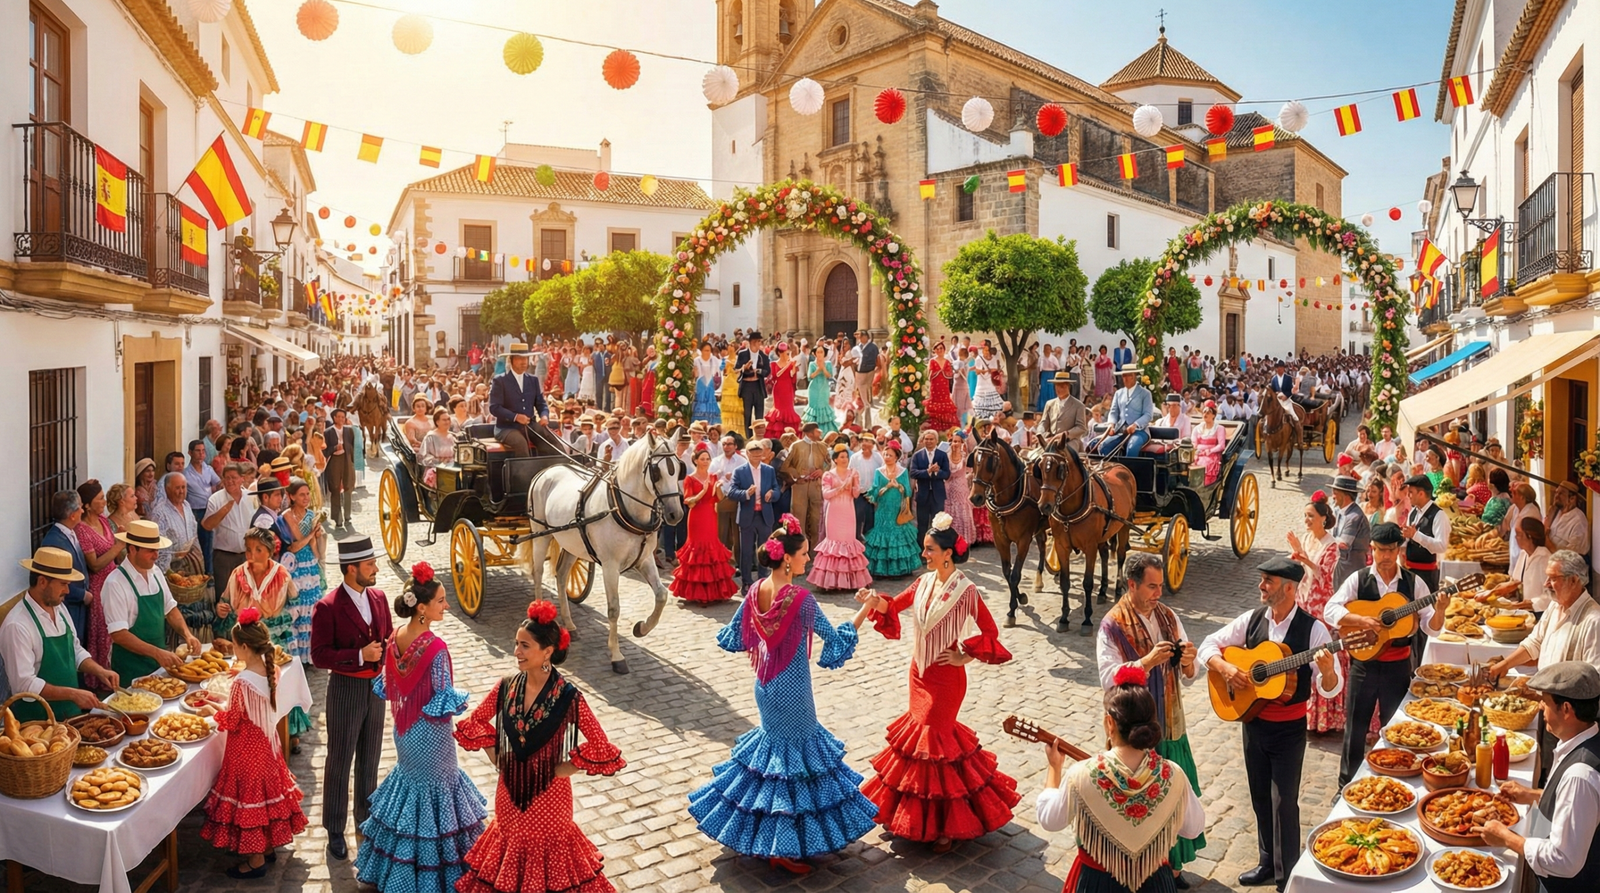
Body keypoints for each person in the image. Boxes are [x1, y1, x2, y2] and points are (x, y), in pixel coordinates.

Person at [689, 517, 878, 873]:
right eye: (804, 553)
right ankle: (783, 847)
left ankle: (774, 840)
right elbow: (834, 643)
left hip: (764, 685)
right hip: (794, 691)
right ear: (787, 559)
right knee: (795, 766)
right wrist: (866, 610)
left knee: (772, 762)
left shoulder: (755, 590)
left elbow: (735, 637)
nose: (808, 558)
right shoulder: (801, 599)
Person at [858, 514, 1018, 852]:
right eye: (924, 549)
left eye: (929, 549)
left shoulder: (966, 590)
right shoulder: (923, 582)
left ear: (947, 553)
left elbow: (990, 632)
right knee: (919, 743)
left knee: (937, 743)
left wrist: (964, 656)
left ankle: (947, 823)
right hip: (919, 672)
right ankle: (915, 817)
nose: (924, 554)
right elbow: (894, 605)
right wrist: (873, 600)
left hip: (947, 680)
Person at [452, 600, 625, 893]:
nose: (516, 651)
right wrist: (499, 758)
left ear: (547, 651)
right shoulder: (506, 686)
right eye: (516, 644)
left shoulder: (568, 696)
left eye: (525, 645)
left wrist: (562, 770)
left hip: (551, 801)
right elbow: (475, 722)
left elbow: (601, 744)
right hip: (509, 797)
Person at [1197, 558, 1344, 891]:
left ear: (1289, 589)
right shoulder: (1252, 619)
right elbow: (1208, 645)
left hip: (1289, 729)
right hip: (1253, 723)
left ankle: (1287, 875)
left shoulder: (1314, 630)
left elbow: (1330, 687)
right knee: (1260, 796)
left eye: (1268, 581)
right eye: (1262, 579)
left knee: (1284, 802)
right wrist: (1226, 668)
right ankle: (1266, 862)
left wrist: (1328, 671)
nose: (1261, 586)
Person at [357, 563, 487, 893]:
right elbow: (443, 698)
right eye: (441, 601)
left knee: (410, 790)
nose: (446, 606)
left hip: (404, 732)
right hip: (432, 736)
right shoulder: (436, 648)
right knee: (438, 795)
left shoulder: (395, 638)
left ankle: (399, 873)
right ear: (422, 608)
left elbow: (389, 686)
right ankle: (438, 877)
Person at [1036, 667, 1206, 893]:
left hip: (1098, 884)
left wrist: (1054, 768)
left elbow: (1050, 820)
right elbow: (1194, 828)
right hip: (1155, 883)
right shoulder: (1173, 774)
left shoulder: (1081, 774)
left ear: (1110, 723)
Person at [1095, 552, 1205, 886]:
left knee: (1175, 797)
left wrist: (1189, 660)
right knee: (1137, 802)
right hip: (1132, 730)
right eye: (1152, 586)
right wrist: (1146, 663)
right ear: (1132, 585)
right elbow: (1108, 678)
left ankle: (1173, 866)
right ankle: (1141, 868)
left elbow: (1190, 673)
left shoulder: (1169, 617)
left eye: (1160, 586)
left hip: (1170, 724)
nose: (1159, 593)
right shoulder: (1112, 624)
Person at [1325, 522, 1448, 786]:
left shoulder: (1414, 583)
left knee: (1396, 728)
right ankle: (1346, 784)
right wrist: (1360, 620)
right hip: (1364, 665)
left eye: (1391, 550)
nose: (1386, 556)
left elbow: (1432, 628)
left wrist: (1440, 610)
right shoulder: (1358, 579)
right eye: (1381, 550)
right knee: (1355, 728)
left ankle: (1395, 781)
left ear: (1399, 550)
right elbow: (1330, 609)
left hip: (1397, 666)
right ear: (1372, 549)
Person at [200, 608, 309, 879]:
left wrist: (211, 711)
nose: (234, 649)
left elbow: (233, 720)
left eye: (235, 645)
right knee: (266, 798)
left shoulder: (242, 682)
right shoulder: (272, 671)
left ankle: (256, 859)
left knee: (250, 801)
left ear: (245, 647)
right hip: (268, 748)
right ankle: (268, 846)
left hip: (245, 753)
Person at [1480, 661, 1600, 893]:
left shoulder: (1579, 776)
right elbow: (1577, 807)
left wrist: (1506, 838)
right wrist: (1532, 795)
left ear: (1566, 709)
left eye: (1545, 702)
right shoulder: (1583, 742)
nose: (1540, 708)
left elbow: (1563, 860)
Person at [310, 537, 395, 862]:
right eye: (370, 564)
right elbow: (319, 656)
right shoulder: (328, 606)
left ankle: (365, 821)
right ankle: (334, 828)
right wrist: (359, 655)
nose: (376, 569)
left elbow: (387, 638)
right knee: (339, 759)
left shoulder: (379, 598)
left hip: (376, 690)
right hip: (345, 689)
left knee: (370, 759)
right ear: (351, 569)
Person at [0, 547, 117, 721]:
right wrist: (72, 694)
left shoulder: (59, 608)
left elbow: (75, 650)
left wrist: (99, 671)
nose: (68, 591)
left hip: (69, 714)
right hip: (38, 723)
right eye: (63, 584)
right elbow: (24, 685)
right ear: (42, 582)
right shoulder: (17, 625)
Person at [102, 520, 202, 681]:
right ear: (132, 549)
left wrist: (187, 634)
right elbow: (119, 634)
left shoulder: (155, 572)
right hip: (130, 668)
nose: (156, 555)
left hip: (158, 664)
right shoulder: (115, 583)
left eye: (157, 550)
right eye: (150, 551)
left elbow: (170, 609)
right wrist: (157, 653)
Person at [1488, 549, 1600, 685]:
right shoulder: (1554, 606)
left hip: (1565, 698)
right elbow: (1535, 643)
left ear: (1573, 580)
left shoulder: (1594, 621)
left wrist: (1556, 695)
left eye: (1553, 578)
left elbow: (1594, 677)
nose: (1545, 584)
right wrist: (1505, 664)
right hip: (1544, 692)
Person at [1287, 493, 1346, 734]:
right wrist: (1297, 556)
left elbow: (1325, 576)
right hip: (1303, 601)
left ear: (1323, 518)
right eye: (1305, 516)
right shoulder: (1307, 538)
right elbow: (1301, 569)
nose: (1307, 520)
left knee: (1319, 655)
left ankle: (1324, 717)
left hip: (1321, 605)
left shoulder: (1332, 545)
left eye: (1311, 516)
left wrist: (1305, 558)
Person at [670, 445, 738, 604]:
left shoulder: (713, 476)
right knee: (697, 549)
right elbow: (689, 502)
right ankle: (696, 592)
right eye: (702, 459)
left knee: (712, 547)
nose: (706, 461)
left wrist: (719, 488)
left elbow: (719, 499)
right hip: (696, 516)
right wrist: (702, 491)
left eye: (708, 459)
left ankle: (714, 592)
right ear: (696, 461)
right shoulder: (689, 479)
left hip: (711, 515)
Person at [73, 480, 121, 680]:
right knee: (103, 631)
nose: (104, 502)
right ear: (86, 505)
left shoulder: (102, 520)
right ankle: (100, 677)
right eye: (100, 498)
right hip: (99, 585)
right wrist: (119, 545)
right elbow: (94, 564)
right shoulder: (82, 530)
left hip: (113, 579)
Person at [813, 444, 873, 591]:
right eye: (841, 457)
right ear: (835, 459)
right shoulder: (828, 475)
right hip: (834, 511)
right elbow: (826, 494)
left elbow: (856, 494)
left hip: (848, 511)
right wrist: (840, 488)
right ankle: (831, 581)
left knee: (848, 542)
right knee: (833, 543)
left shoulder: (853, 473)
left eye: (846, 457)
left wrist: (853, 485)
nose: (845, 459)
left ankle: (850, 580)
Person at [280, 481, 323, 670]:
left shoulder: (312, 515)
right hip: (295, 567)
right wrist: (312, 535)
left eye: (307, 494)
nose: (306, 498)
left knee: (312, 609)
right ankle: (297, 655)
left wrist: (316, 540)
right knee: (297, 609)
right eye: (301, 495)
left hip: (310, 566)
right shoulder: (287, 516)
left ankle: (311, 655)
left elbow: (315, 549)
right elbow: (296, 544)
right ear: (291, 496)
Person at [38, 490, 90, 644]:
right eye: (80, 507)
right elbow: (54, 579)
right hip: (68, 606)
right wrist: (83, 595)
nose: (83, 511)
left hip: (78, 608)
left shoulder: (70, 534)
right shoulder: (54, 542)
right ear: (72, 515)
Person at [730, 439, 781, 591]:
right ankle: (746, 581)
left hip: (765, 516)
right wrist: (746, 493)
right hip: (747, 516)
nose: (757, 457)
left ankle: (763, 581)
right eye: (754, 455)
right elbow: (732, 492)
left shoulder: (769, 470)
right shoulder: (740, 471)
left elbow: (777, 489)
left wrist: (772, 494)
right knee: (746, 551)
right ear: (747, 454)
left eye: (759, 454)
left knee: (764, 550)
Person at [864, 443, 920, 578]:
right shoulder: (879, 471)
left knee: (899, 533)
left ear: (896, 457)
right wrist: (887, 487)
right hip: (883, 508)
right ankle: (880, 569)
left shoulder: (902, 471)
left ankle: (901, 568)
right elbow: (875, 491)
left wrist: (899, 486)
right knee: (881, 533)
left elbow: (908, 491)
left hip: (897, 508)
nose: (887, 457)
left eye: (890, 455)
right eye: (885, 454)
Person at [487, 343, 550, 459]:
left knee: (549, 438)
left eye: (525, 359)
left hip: (530, 425)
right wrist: (515, 417)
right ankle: (525, 470)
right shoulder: (500, 380)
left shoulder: (533, 380)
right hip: (506, 428)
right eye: (520, 358)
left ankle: (556, 466)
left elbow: (541, 403)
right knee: (520, 443)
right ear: (511, 360)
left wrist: (544, 415)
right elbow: (494, 408)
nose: (524, 362)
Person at [1399, 474, 1451, 603]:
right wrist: (1402, 545)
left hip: (1427, 574)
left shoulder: (1438, 515)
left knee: (1426, 609)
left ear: (1421, 494)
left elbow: (1441, 546)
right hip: (1409, 571)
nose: (1408, 495)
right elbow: (1408, 536)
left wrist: (1416, 535)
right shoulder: (1413, 512)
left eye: (1411, 492)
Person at [1490, 517, 1554, 616]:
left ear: (1530, 537)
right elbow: (1516, 581)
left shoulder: (1545, 559)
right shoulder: (1524, 554)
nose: (1516, 537)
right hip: (1523, 611)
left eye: (1519, 534)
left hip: (1540, 614)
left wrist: (1530, 603)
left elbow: (1551, 595)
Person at [781, 422, 829, 548]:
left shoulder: (822, 446)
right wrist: (798, 475)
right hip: (800, 486)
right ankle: (799, 549)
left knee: (816, 520)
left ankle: (815, 551)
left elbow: (831, 463)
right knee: (798, 518)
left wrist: (822, 471)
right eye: (817, 431)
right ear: (810, 433)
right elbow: (785, 466)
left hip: (816, 486)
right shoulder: (796, 446)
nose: (820, 433)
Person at [1096, 365, 1154, 456]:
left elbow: (1148, 414)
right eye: (1124, 376)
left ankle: (1130, 465)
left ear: (1135, 376)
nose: (1125, 378)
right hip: (1120, 431)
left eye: (1129, 375)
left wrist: (1135, 425)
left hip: (1139, 431)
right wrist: (1111, 424)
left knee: (1132, 447)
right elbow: (1114, 412)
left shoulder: (1145, 393)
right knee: (1104, 446)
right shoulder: (1118, 393)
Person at [184, 439, 221, 575]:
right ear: (190, 453)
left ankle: (209, 574)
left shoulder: (208, 469)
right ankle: (200, 573)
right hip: (195, 511)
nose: (201, 454)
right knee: (197, 544)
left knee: (209, 543)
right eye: (198, 451)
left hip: (209, 510)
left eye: (203, 451)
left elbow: (218, 483)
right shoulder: (186, 473)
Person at [1328, 476, 1371, 591]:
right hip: (1341, 568)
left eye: (1335, 493)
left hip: (1350, 570)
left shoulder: (1354, 517)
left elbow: (1343, 545)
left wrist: (1326, 539)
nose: (1333, 496)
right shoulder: (1340, 511)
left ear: (1345, 495)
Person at [908, 429, 950, 545]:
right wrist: (927, 471)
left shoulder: (942, 455)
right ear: (923, 440)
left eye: (931, 439)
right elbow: (913, 473)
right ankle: (922, 548)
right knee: (922, 524)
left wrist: (937, 472)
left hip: (938, 495)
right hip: (923, 495)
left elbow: (947, 474)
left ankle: (939, 547)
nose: (929, 441)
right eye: (926, 439)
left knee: (939, 524)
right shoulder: (917, 455)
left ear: (936, 440)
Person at [324, 408, 358, 530]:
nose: (341, 419)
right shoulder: (328, 432)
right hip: (334, 461)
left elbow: (353, 445)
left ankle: (348, 516)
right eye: (339, 417)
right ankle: (337, 518)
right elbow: (324, 451)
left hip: (347, 460)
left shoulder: (349, 430)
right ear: (334, 418)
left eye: (343, 417)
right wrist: (334, 448)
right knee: (335, 488)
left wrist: (352, 460)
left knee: (348, 487)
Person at [1040, 371, 1090, 452]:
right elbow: (1043, 423)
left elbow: (1081, 427)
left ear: (1068, 386)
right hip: (1051, 439)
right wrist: (1041, 435)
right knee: (1036, 456)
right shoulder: (1049, 404)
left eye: (1061, 386)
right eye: (1056, 386)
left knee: (1067, 452)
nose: (1058, 389)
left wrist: (1066, 434)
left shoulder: (1078, 405)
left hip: (1070, 441)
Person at [737, 332, 772, 434]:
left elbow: (767, 371)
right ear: (753, 342)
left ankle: (759, 435)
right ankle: (748, 436)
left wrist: (758, 371)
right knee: (747, 414)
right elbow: (737, 368)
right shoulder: (742, 354)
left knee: (759, 414)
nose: (760, 343)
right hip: (747, 386)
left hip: (758, 386)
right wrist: (745, 368)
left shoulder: (763, 356)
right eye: (758, 341)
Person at [801, 345, 838, 434]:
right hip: (813, 389)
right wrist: (818, 369)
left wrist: (823, 368)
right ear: (815, 354)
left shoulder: (828, 363)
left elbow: (829, 376)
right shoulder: (812, 364)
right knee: (813, 408)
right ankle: (811, 430)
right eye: (818, 352)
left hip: (824, 389)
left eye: (821, 352)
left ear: (824, 353)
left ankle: (824, 431)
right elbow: (810, 377)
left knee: (823, 406)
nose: (820, 354)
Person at [1549, 481, 1591, 556]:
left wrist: (1546, 541)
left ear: (1572, 499)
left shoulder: (1579, 521)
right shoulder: (1557, 512)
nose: (1556, 496)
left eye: (1561, 493)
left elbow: (1571, 556)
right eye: (1556, 492)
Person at [1191, 402, 1226, 487]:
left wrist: (1210, 451)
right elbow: (1193, 443)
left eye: (1208, 413)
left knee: (1205, 464)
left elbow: (1221, 445)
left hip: (1211, 455)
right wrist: (1195, 452)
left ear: (1213, 415)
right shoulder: (1197, 428)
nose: (1205, 415)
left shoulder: (1219, 428)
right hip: (1198, 454)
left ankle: (1204, 487)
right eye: (1204, 412)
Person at [925, 348, 960, 433]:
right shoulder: (932, 361)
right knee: (935, 402)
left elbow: (950, 374)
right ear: (934, 350)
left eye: (941, 348)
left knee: (945, 402)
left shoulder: (947, 361)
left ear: (944, 350)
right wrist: (938, 372)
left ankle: (946, 425)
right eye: (937, 349)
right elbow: (929, 375)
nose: (939, 350)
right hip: (935, 386)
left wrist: (943, 372)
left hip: (944, 386)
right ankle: (936, 424)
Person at [970, 343, 1005, 421]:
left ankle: (994, 417)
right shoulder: (979, 358)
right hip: (982, 385)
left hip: (990, 383)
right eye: (984, 350)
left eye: (987, 350)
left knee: (995, 404)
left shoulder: (994, 358)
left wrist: (992, 371)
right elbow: (977, 371)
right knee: (979, 404)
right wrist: (987, 371)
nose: (986, 352)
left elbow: (995, 369)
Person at [854, 331, 880, 428]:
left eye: (860, 336)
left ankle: (868, 424)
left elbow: (877, 360)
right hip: (858, 372)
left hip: (868, 372)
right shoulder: (858, 346)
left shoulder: (873, 347)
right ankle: (858, 421)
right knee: (859, 397)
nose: (859, 338)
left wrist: (874, 370)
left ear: (865, 337)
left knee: (866, 399)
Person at [719, 342, 744, 435]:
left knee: (736, 406)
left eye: (732, 345)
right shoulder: (724, 359)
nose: (730, 347)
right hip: (727, 383)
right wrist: (724, 366)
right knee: (727, 407)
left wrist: (733, 365)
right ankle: (727, 429)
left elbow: (740, 371)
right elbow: (723, 371)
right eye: (729, 345)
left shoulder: (739, 358)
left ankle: (737, 430)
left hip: (736, 383)